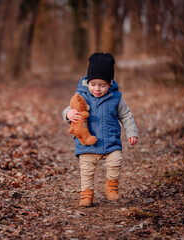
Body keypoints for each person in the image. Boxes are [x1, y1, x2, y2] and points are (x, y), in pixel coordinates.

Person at [62, 52, 138, 207]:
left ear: (110, 83)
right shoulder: (81, 96)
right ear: (88, 82)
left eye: (102, 85)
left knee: (116, 160)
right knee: (87, 170)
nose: (97, 89)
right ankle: (86, 194)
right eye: (93, 84)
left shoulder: (116, 97)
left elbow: (126, 115)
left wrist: (131, 132)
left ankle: (111, 186)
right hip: (87, 144)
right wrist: (68, 114)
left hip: (111, 141)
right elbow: (67, 110)